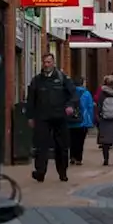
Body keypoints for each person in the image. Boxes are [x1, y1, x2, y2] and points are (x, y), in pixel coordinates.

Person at [27, 53, 79, 182]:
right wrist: (30, 117)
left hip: (60, 117)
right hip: (42, 117)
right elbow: (31, 100)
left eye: (49, 62)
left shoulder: (63, 78)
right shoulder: (37, 80)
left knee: (61, 146)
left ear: (53, 63)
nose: (46, 65)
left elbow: (73, 95)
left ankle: (62, 172)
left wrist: (70, 106)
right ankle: (40, 172)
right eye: (44, 62)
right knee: (41, 146)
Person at [68, 77, 95, 166]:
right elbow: (90, 107)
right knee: (80, 141)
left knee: (72, 140)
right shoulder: (86, 93)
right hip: (83, 120)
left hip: (71, 121)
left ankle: (72, 156)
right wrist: (91, 120)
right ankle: (78, 158)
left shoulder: (69, 93)